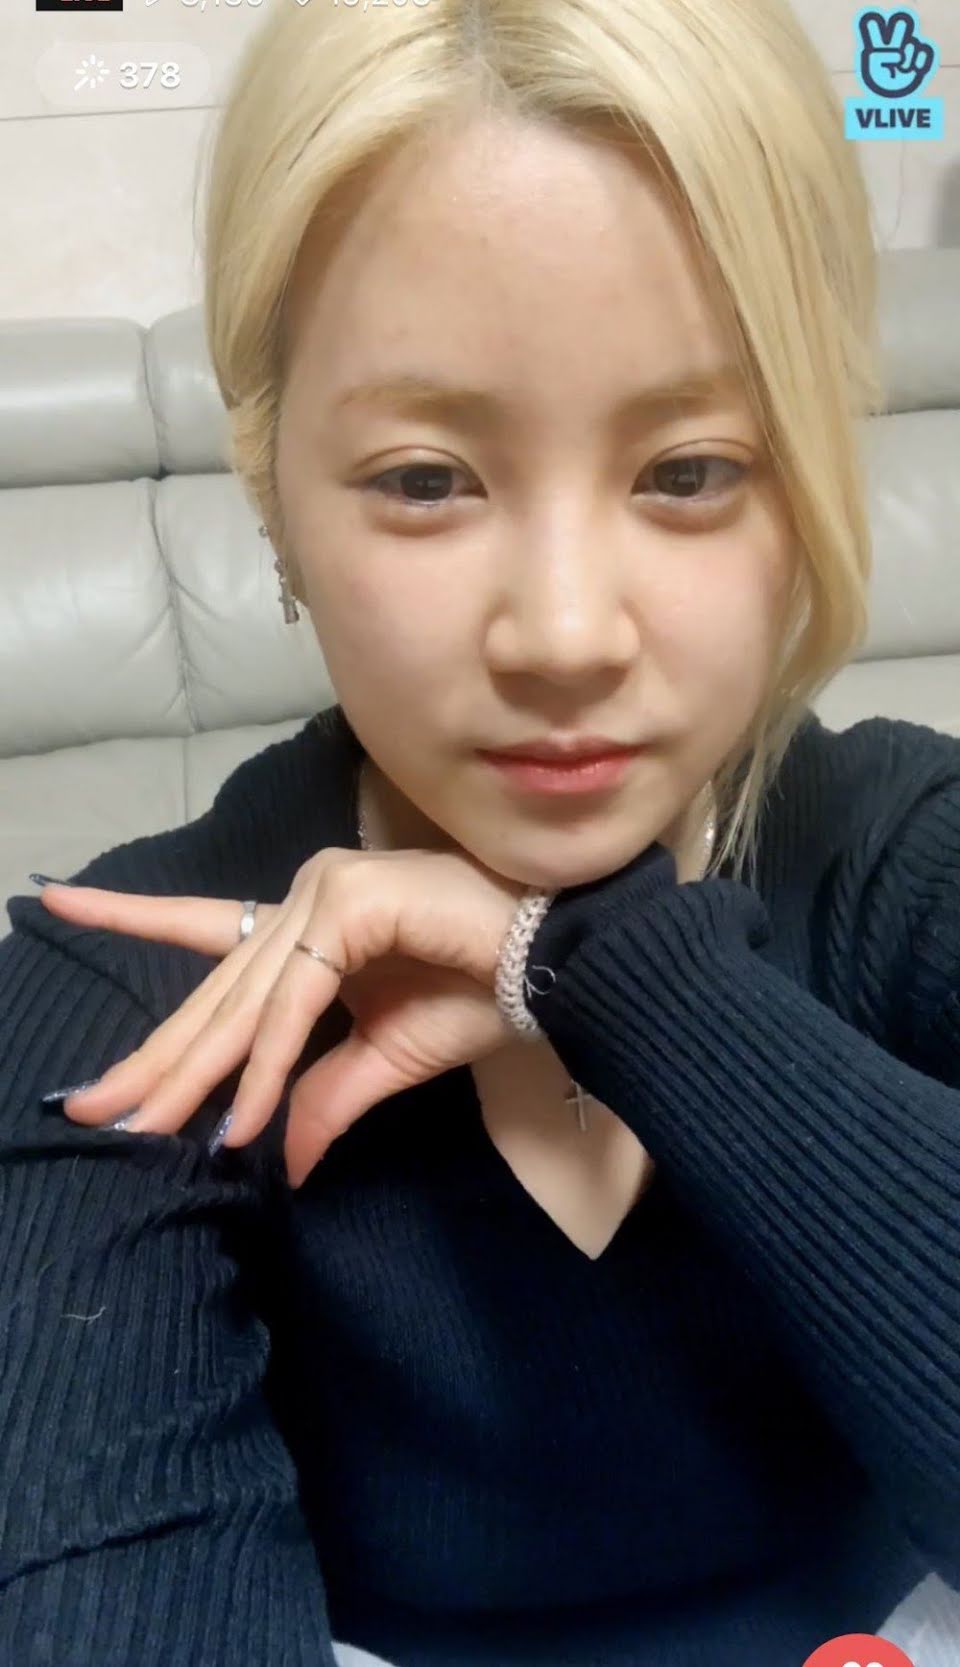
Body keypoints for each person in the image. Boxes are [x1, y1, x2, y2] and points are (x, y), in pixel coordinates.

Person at [1, 0, 958, 1663]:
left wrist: (597, 968)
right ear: (270, 488)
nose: (567, 636)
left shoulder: (910, 858)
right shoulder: (122, 993)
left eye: (690, 470)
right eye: (428, 479)